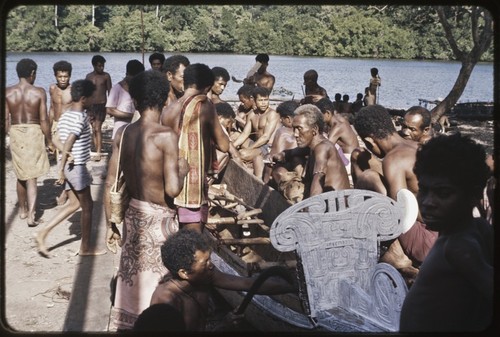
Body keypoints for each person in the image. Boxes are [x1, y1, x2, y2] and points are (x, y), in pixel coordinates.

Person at [104, 70, 189, 330]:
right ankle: (157, 324)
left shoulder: (124, 134)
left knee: (133, 274)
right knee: (158, 279)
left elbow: (111, 182)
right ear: (165, 99)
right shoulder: (166, 136)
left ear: (136, 101)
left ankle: (129, 322)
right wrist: (183, 168)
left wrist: (112, 222)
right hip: (159, 219)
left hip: (132, 213)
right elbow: (173, 190)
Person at [400, 133, 493, 332]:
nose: (427, 202)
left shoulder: (458, 248)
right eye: (423, 190)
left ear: (474, 194)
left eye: (443, 193)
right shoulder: (477, 229)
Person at [150, 229, 296, 331]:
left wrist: (294, 288)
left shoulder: (205, 277)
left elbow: (248, 284)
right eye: (205, 263)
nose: (211, 266)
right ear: (184, 273)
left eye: (210, 259)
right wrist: (222, 326)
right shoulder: (166, 299)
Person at [352, 105, 438, 276]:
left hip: (428, 244)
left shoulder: (394, 159)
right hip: (445, 234)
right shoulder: (416, 146)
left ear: (370, 141)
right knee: (360, 157)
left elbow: (397, 213)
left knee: (368, 177)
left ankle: (397, 254)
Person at [35, 79, 105, 258]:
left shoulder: (65, 115)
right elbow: (68, 141)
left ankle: (43, 232)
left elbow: (57, 139)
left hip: (70, 166)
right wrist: (61, 168)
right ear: (83, 98)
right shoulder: (80, 118)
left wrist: (65, 157)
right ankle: (85, 248)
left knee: (74, 204)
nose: (92, 100)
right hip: (77, 168)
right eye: (90, 98)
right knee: (88, 206)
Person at [161, 63, 230, 233]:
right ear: (207, 87)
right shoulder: (204, 105)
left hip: (169, 177)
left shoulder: (169, 109)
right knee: (193, 239)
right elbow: (224, 145)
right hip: (191, 184)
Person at [5, 58, 53, 227]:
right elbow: (43, 119)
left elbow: (5, 120)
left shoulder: (8, 92)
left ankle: (23, 210)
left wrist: (8, 136)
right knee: (32, 176)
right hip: (33, 132)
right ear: (32, 73)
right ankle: (32, 214)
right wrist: (49, 140)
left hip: (16, 131)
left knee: (20, 174)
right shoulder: (39, 92)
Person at [273, 104, 350, 198]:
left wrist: (311, 207)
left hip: (336, 205)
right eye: (294, 129)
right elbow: (293, 152)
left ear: (315, 129)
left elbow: (319, 177)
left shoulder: (323, 148)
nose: (295, 134)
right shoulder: (312, 147)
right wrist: (282, 154)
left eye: (299, 128)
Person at [232, 86, 280, 181]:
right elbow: (244, 134)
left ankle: (246, 167)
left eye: (266, 100)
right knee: (234, 136)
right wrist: (232, 146)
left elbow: (266, 137)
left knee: (242, 154)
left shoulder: (272, 114)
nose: (263, 103)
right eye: (260, 100)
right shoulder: (252, 114)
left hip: (266, 147)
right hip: (256, 144)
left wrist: (250, 148)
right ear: (254, 100)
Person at [266, 100, 305, 202]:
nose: (280, 122)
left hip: (289, 174)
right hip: (303, 173)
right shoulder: (307, 130)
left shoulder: (282, 131)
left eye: (281, 119)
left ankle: (264, 185)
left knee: (272, 165)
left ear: (288, 119)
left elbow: (273, 157)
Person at [315, 97, 359, 185]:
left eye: (320, 116)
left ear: (327, 113)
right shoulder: (337, 118)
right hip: (348, 157)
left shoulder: (338, 126)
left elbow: (327, 146)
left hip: (349, 161)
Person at [49, 60, 73, 206]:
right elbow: (51, 108)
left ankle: (64, 193)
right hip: (56, 125)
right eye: (60, 76)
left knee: (65, 158)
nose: (63, 79)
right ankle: (66, 188)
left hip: (68, 127)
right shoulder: (52, 89)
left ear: (69, 76)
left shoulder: (72, 90)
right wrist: (49, 130)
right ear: (55, 76)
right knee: (59, 158)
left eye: (65, 76)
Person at [105, 59, 144, 140]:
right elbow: (109, 110)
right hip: (121, 130)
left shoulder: (140, 88)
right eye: (134, 77)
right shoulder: (117, 88)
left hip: (137, 130)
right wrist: (130, 115)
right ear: (127, 74)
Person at [85, 55, 112, 161]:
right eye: (99, 66)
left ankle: (99, 152)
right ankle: (96, 148)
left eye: (103, 66)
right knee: (93, 129)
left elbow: (110, 91)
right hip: (91, 106)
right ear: (94, 66)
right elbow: (86, 91)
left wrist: (110, 106)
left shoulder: (106, 76)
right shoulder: (89, 77)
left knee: (98, 128)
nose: (101, 68)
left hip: (101, 105)